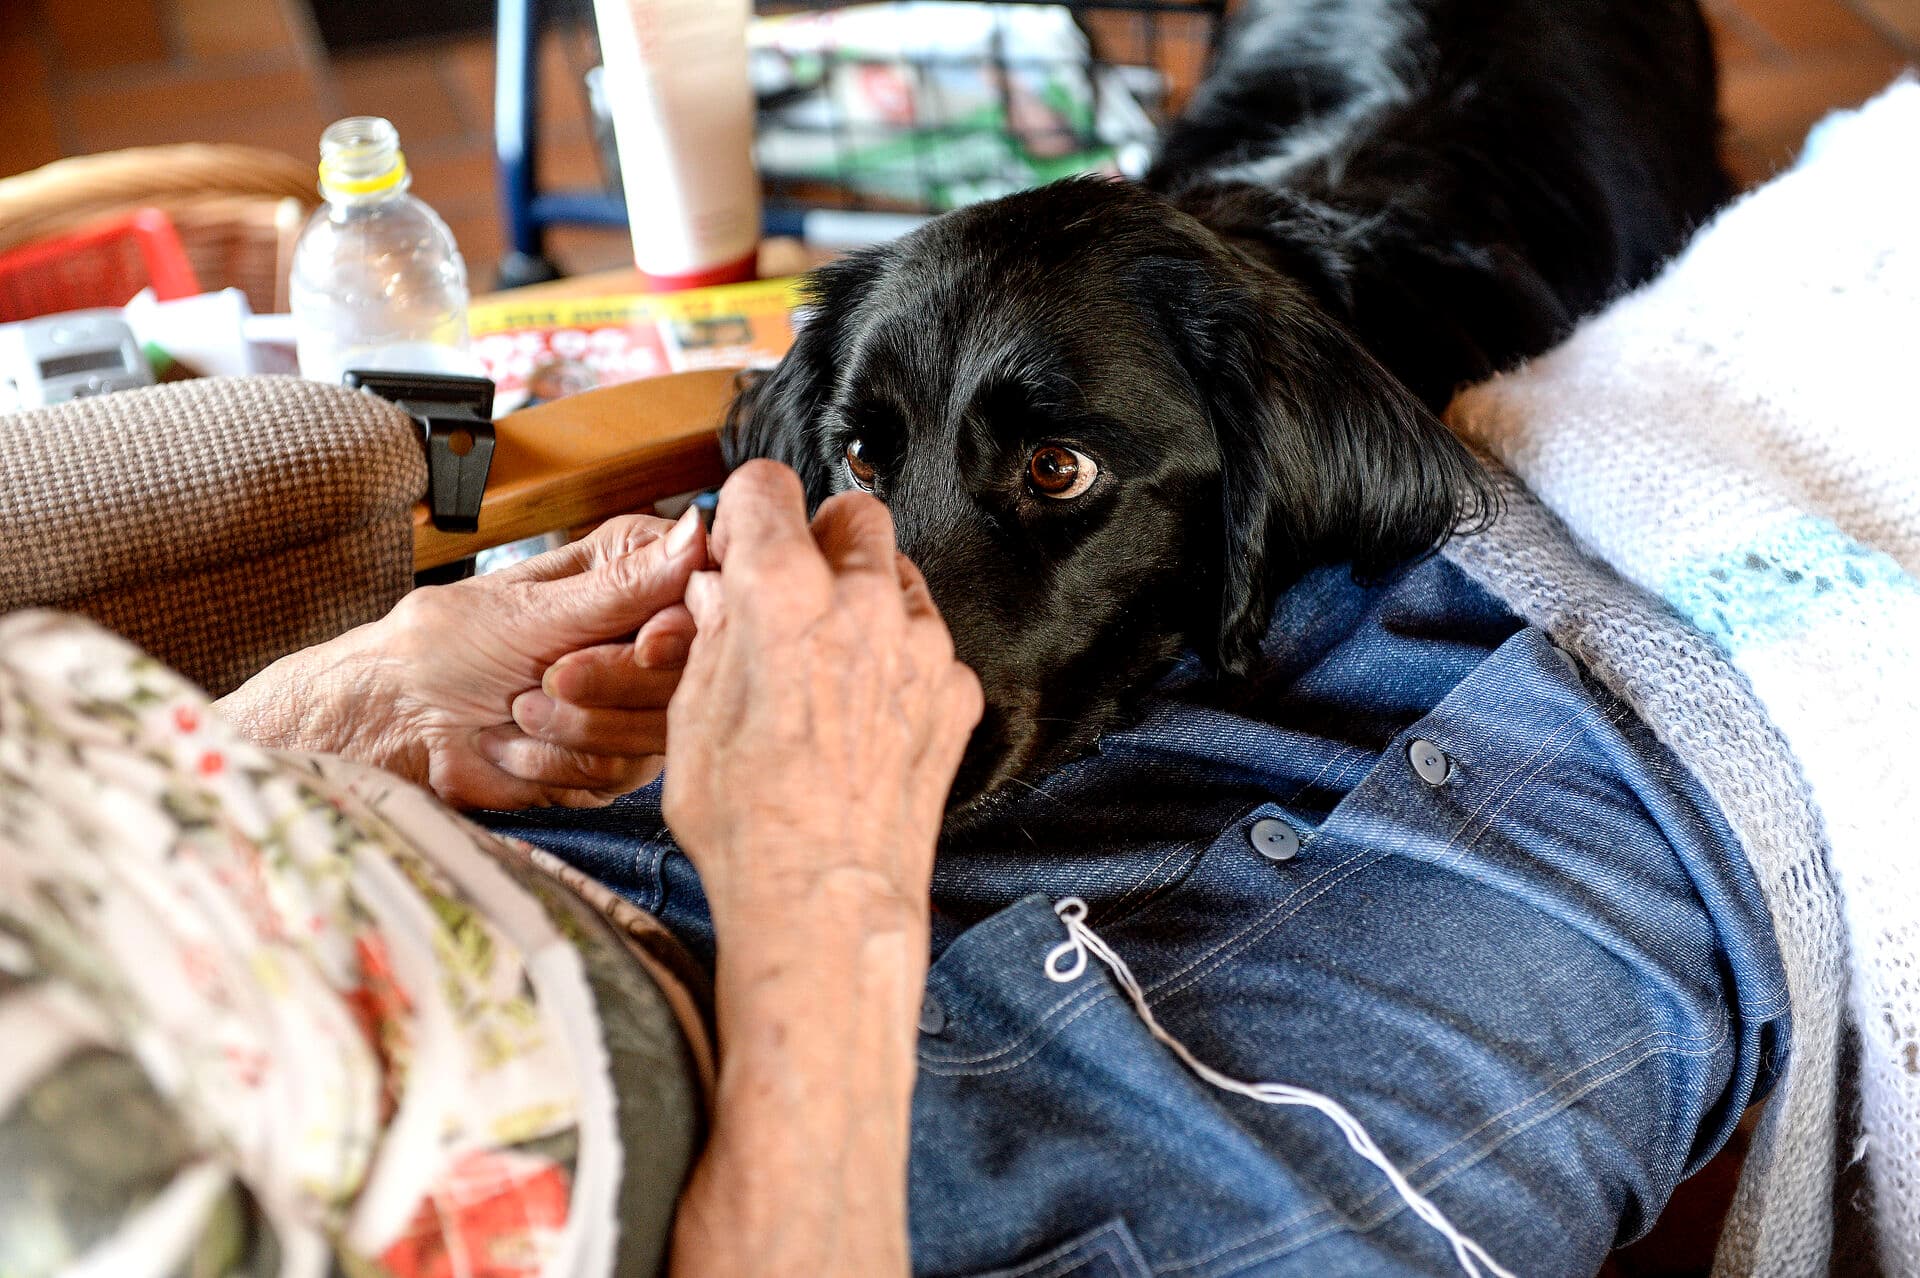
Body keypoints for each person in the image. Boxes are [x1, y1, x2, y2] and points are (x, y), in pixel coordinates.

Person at [18, 459, 1787, 1277]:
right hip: (847, 1203)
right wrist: (822, 881)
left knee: (1441, 508)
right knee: (1722, 729)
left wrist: (357, 710)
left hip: (535, 874)